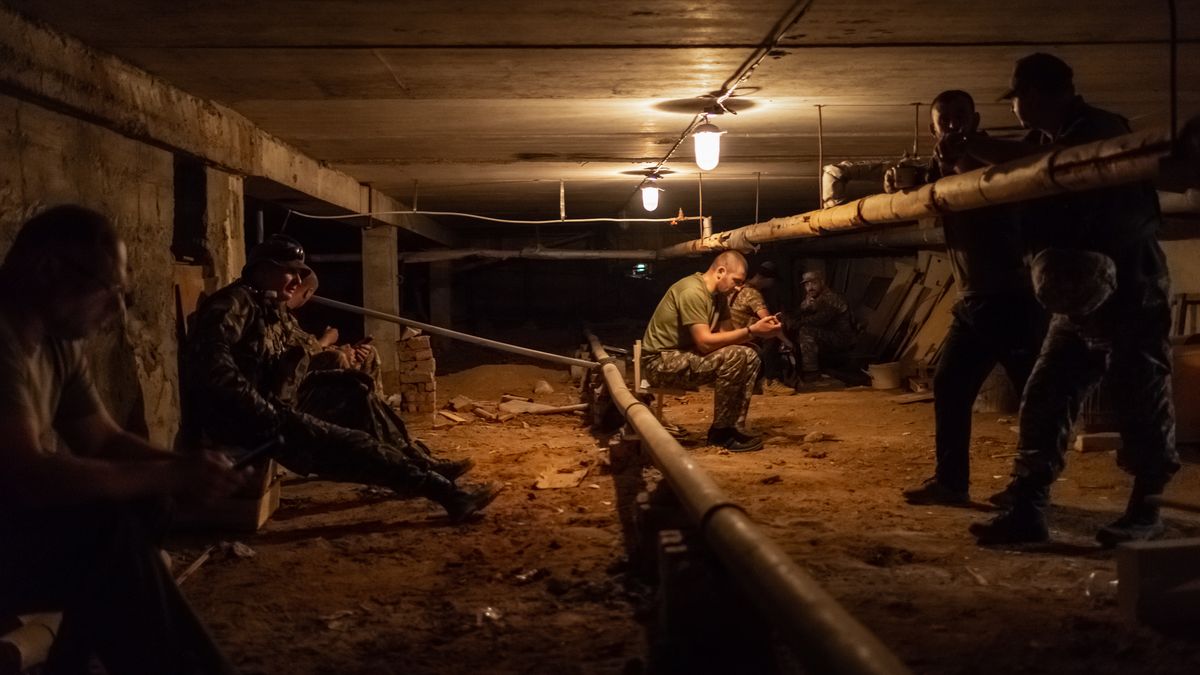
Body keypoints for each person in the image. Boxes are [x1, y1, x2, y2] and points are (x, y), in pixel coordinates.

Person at [0, 205, 244, 674]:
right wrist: (169, 474)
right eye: (108, 290)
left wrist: (188, 470)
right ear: (48, 268)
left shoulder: (59, 343)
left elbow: (103, 440)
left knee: (144, 510)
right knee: (105, 539)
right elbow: (27, 476)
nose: (116, 309)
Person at [962, 53, 1178, 546]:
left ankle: (1149, 511)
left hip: (1128, 291)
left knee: (1140, 396)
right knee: (1046, 394)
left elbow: (1043, 166)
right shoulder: (1047, 139)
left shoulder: (1099, 129)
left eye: (1015, 99)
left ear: (1033, 96)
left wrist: (983, 149)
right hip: (1077, 298)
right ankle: (1028, 507)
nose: (1015, 108)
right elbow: (1033, 164)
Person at [183, 234, 498, 522]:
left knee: (353, 389)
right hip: (250, 420)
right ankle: (447, 493)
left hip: (278, 401)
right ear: (263, 269)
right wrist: (264, 412)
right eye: (289, 271)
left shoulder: (269, 306)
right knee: (353, 445)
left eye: (298, 272)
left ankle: (418, 461)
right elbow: (216, 371)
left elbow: (303, 348)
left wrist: (342, 354)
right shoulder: (232, 305)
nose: (296, 281)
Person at [899, 90, 1048, 506]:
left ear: (976, 119)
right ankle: (951, 482)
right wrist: (902, 184)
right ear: (932, 127)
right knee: (950, 386)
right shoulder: (939, 168)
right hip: (974, 300)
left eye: (960, 115)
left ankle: (1032, 489)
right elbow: (923, 206)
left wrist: (961, 158)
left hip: (1013, 299)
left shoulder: (996, 158)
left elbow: (1020, 165)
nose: (952, 123)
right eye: (944, 118)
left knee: (1032, 394)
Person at [279, 270, 470, 477]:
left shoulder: (283, 316)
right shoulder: (271, 317)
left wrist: (347, 353)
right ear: (306, 293)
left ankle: (409, 451)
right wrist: (327, 343)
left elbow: (299, 359)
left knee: (361, 367)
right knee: (346, 372)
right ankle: (409, 458)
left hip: (302, 390)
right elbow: (291, 362)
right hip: (292, 401)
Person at [641, 251, 782, 452]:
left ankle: (732, 427)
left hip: (684, 356)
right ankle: (720, 434)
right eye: (736, 280)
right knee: (738, 354)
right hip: (660, 363)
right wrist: (752, 331)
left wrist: (759, 333)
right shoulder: (693, 291)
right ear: (720, 272)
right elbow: (706, 343)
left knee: (749, 355)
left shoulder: (719, 297)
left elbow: (727, 335)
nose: (739, 286)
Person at [719, 261, 794, 395]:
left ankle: (755, 381)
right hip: (741, 337)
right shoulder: (752, 293)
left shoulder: (737, 288)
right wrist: (787, 342)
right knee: (771, 335)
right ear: (769, 280)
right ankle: (770, 381)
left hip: (726, 335)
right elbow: (769, 323)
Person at [785, 270, 857, 383]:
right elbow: (800, 312)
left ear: (822, 282)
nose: (810, 287)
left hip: (840, 336)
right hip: (827, 333)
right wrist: (804, 309)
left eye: (813, 283)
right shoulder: (811, 298)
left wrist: (795, 323)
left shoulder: (831, 298)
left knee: (806, 330)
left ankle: (811, 372)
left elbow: (819, 320)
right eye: (807, 284)